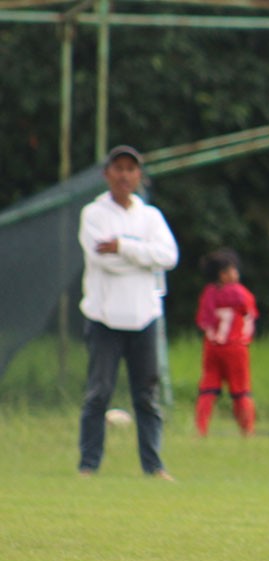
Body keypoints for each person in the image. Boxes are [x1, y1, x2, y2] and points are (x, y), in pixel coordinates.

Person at [77, 145, 179, 481]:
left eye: (130, 169)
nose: (124, 175)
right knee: (99, 393)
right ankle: (88, 465)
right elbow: (103, 261)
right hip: (105, 318)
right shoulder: (94, 214)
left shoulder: (150, 217)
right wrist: (141, 256)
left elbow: (168, 256)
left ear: (138, 175)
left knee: (146, 397)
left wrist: (123, 246)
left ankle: (154, 466)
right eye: (118, 168)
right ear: (107, 174)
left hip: (144, 317)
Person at [195, 248, 258, 437]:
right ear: (222, 274)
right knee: (241, 391)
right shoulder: (240, 293)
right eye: (231, 270)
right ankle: (247, 430)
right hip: (236, 348)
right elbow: (250, 317)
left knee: (208, 389)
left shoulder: (209, 294)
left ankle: (201, 430)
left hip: (212, 347)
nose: (235, 274)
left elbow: (204, 321)